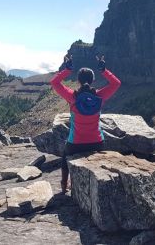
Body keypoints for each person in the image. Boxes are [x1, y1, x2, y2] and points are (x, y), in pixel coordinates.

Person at [50, 53, 121, 193]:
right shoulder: (100, 97)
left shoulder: (72, 97)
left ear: (78, 81)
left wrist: (67, 69)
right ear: (93, 80)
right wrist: (104, 70)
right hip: (97, 142)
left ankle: (64, 185)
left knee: (65, 156)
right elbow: (116, 83)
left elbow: (54, 83)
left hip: (75, 144)